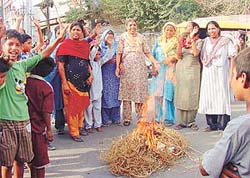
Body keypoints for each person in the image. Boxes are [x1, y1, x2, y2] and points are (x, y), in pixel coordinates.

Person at [0, 26, 66, 178]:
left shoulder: (22, 66)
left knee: (21, 161)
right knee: (6, 164)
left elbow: (43, 54)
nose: (14, 48)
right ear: (2, 46)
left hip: (24, 121)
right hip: (5, 122)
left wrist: (57, 40)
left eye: (17, 45)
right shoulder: (2, 68)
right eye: (10, 44)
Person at [199, 47, 250, 178]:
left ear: (243, 78)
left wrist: (217, 164)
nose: (230, 82)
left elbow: (206, 168)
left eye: (232, 75)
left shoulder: (240, 126)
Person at [115, 18, 159, 126]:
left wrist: (154, 62)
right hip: (127, 69)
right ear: (126, 27)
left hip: (140, 69)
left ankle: (141, 116)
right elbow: (119, 53)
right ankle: (127, 118)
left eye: (134, 25)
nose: (132, 27)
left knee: (140, 92)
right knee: (127, 93)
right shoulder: (122, 37)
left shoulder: (141, 37)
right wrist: (118, 66)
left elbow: (147, 52)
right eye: (130, 25)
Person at [57, 22, 93, 142]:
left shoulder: (84, 45)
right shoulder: (64, 45)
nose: (76, 32)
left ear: (82, 33)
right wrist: (64, 83)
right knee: (72, 108)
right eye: (74, 30)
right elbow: (61, 66)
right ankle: (74, 132)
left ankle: (80, 126)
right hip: (70, 81)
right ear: (69, 31)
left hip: (84, 82)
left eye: (78, 30)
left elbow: (87, 62)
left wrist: (91, 75)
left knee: (81, 105)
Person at [198, 21, 236, 132]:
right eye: (209, 29)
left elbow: (232, 56)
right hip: (208, 72)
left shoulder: (226, 41)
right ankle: (211, 124)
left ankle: (223, 124)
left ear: (218, 29)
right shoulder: (205, 42)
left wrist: (231, 72)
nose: (211, 31)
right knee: (209, 97)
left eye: (213, 28)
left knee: (221, 96)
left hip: (221, 72)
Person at [25, 57, 55, 178]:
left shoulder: (25, 81)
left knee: (29, 159)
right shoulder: (46, 87)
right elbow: (46, 111)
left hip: (25, 125)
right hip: (38, 128)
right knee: (40, 161)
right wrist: (49, 129)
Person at [174, 22, 202, 130]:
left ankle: (191, 121)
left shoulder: (199, 40)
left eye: (188, 26)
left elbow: (195, 53)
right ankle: (181, 121)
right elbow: (178, 55)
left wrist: (192, 39)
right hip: (181, 68)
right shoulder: (182, 40)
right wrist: (180, 42)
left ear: (195, 28)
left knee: (192, 93)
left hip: (193, 69)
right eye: (186, 27)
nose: (186, 28)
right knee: (181, 93)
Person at [149, 22, 178, 125]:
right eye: (167, 30)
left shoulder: (176, 42)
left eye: (171, 30)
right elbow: (152, 55)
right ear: (164, 30)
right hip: (159, 70)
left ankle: (169, 118)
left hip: (170, 70)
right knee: (158, 94)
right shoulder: (158, 41)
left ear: (174, 31)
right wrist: (153, 68)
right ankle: (158, 117)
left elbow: (179, 55)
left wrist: (173, 58)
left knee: (169, 94)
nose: (169, 32)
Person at [85, 39, 114, 132]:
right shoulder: (90, 63)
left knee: (97, 107)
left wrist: (109, 47)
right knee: (88, 108)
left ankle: (98, 124)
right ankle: (88, 125)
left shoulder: (99, 63)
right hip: (90, 89)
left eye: (99, 54)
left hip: (98, 89)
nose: (97, 56)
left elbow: (108, 56)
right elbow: (91, 55)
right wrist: (96, 46)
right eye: (96, 54)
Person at [100, 29, 121, 126]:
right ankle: (105, 118)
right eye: (108, 36)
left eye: (111, 36)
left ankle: (116, 118)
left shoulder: (116, 46)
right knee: (106, 94)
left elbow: (120, 57)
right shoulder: (101, 47)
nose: (110, 38)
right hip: (104, 73)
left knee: (115, 94)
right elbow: (98, 60)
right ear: (104, 37)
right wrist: (107, 59)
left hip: (114, 73)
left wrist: (118, 64)